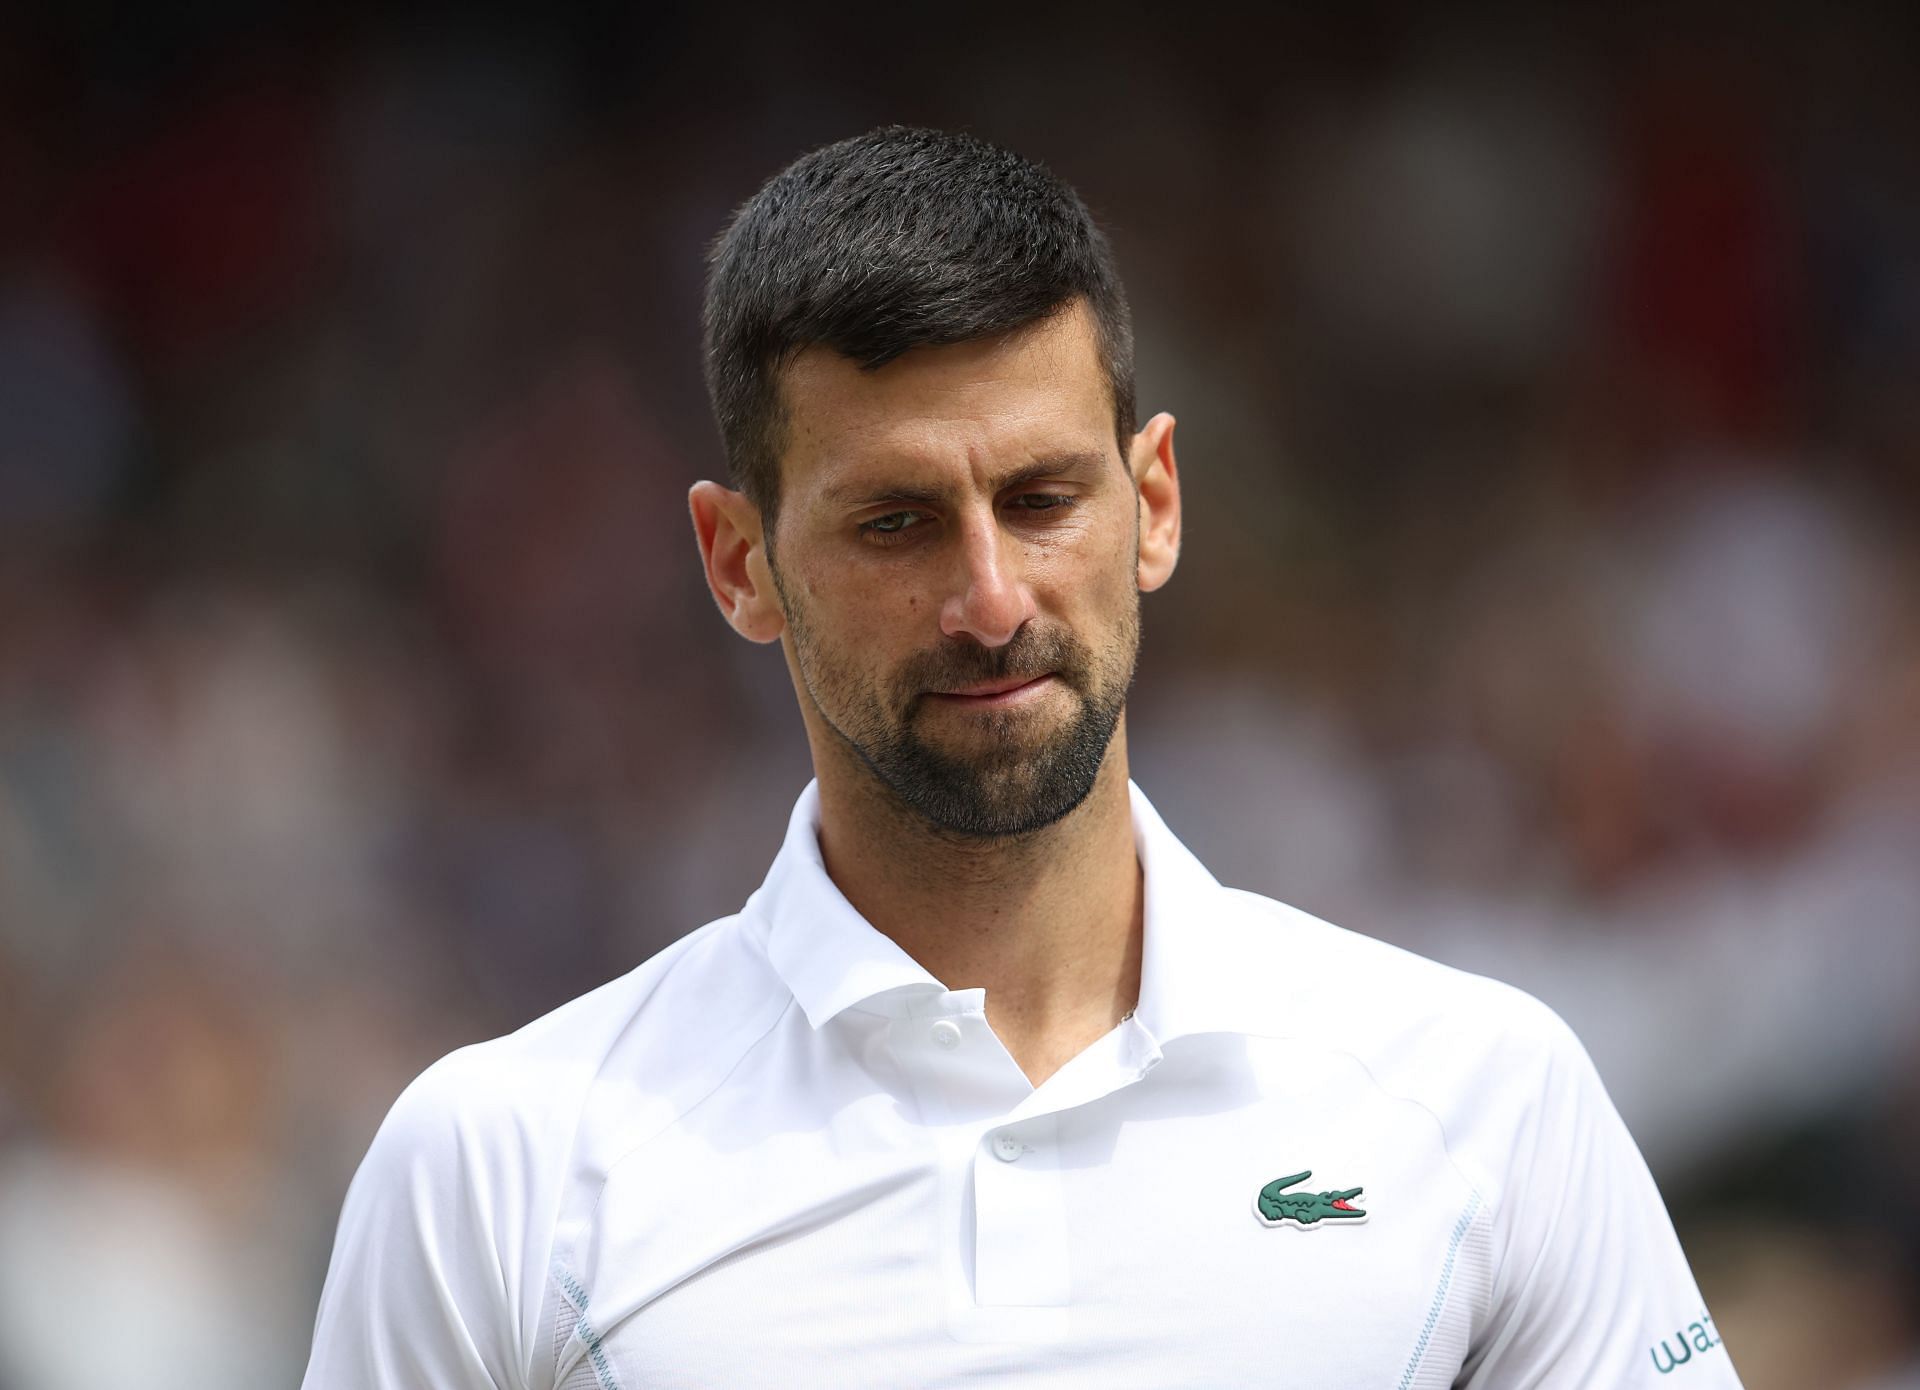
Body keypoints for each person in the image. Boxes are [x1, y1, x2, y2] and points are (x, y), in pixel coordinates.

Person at [302, 126, 1743, 1389]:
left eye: (1043, 496)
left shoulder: (1486, 1096)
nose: (992, 598)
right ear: (738, 562)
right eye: (895, 522)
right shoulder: (498, 1168)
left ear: (1155, 502)